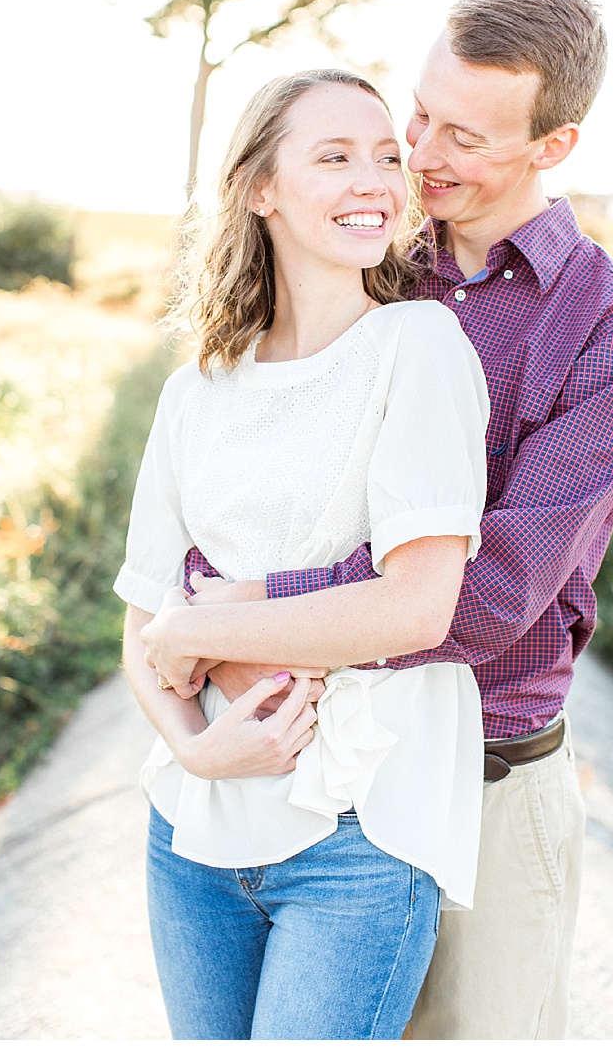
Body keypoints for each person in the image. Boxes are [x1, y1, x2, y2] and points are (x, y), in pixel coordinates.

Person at [176, 0, 613, 1037]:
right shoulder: (367, 257)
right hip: (311, 757)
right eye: (422, 114)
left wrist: (247, 611)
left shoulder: (609, 328)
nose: (423, 153)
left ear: (555, 146)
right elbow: (241, 471)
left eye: (467, 137)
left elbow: (488, 594)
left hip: (490, 777)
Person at [117, 68, 492, 1039]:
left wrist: (202, 625)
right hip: (191, 829)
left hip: (357, 835)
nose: (374, 179)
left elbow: (415, 607)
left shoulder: (421, 344)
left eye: (384, 157)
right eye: (334, 156)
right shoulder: (196, 390)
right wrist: (196, 747)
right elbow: (140, 623)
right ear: (260, 188)